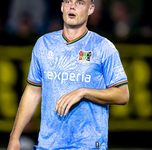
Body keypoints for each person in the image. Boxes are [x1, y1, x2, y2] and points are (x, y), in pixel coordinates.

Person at [7, 0, 129, 149]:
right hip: (48, 145)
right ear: (61, 6)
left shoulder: (103, 47)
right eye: (68, 1)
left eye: (79, 3)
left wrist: (83, 92)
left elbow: (123, 95)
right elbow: (33, 91)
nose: (72, 6)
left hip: (88, 145)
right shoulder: (44, 44)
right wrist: (14, 137)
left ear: (91, 9)